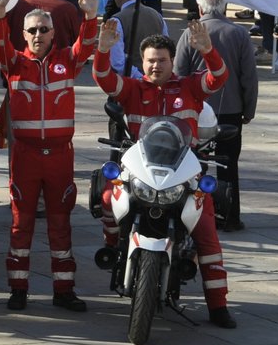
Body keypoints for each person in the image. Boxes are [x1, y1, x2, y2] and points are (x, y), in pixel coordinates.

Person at [93, 20, 237, 328]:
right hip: (140, 173)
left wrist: (208, 50)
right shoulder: (132, 89)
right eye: (150, 60)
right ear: (142, 63)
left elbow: (218, 77)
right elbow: (104, 79)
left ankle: (218, 306)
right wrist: (103, 50)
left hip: (184, 175)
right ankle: (112, 241)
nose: (156, 65)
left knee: (207, 234)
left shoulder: (189, 88)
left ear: (173, 61)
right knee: (108, 196)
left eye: (162, 60)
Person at [0, 0, 97, 312]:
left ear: (52, 33)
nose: (37, 35)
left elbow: (87, 45)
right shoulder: (14, 63)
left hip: (61, 156)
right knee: (21, 224)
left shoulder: (67, 61)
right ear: (24, 34)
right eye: (31, 30)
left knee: (61, 224)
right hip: (26, 157)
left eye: (43, 29)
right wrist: (0, 13)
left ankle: (64, 290)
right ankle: (18, 288)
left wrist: (89, 16)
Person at [176, 0, 257, 231]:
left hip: (196, 111)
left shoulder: (189, 34)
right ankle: (230, 216)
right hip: (231, 110)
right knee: (228, 165)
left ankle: (195, 215)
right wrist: (249, 109)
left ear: (200, 10)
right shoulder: (239, 34)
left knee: (194, 164)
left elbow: (180, 73)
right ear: (225, 8)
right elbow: (249, 77)